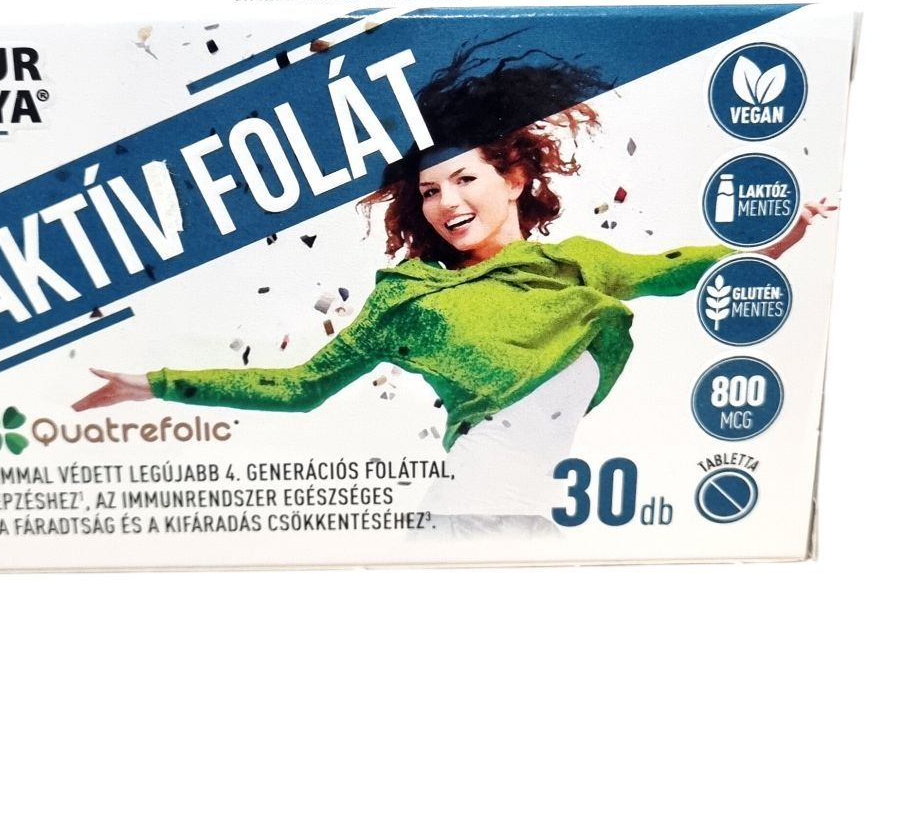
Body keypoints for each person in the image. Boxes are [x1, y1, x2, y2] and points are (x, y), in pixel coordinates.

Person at [73, 38, 834, 537]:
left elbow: (676, 266)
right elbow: (300, 388)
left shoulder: (579, 265)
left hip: (534, 520)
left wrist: (777, 238)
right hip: (464, 515)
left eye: (465, 178)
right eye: (430, 191)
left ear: (513, 176)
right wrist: (154, 384)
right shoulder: (409, 300)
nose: (448, 202)